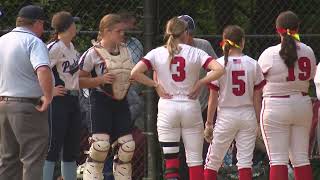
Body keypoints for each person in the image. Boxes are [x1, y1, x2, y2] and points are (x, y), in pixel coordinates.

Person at [130, 17, 225, 180]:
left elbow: (134, 73)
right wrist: (201, 82)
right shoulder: (196, 52)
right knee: (195, 161)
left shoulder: (157, 52)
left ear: (168, 33)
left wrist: (156, 85)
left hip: (168, 107)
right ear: (186, 33)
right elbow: (219, 69)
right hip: (190, 106)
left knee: (171, 163)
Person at [258, 11, 316, 180]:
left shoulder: (269, 53)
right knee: (301, 159)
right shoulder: (308, 51)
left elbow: (257, 82)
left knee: (277, 160)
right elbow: (311, 77)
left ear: (278, 30)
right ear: (298, 29)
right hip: (302, 104)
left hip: (275, 106)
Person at [203, 25, 265, 180]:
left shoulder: (218, 64)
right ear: (242, 42)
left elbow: (213, 98)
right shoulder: (253, 63)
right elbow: (257, 99)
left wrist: (209, 123)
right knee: (245, 163)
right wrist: (259, 122)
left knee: (212, 162)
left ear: (224, 42)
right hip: (248, 114)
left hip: (226, 116)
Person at [78, 14, 135, 180]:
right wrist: (100, 80)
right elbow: (77, 80)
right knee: (100, 146)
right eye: (119, 31)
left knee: (127, 147)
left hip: (121, 102)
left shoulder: (125, 50)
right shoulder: (93, 53)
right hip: (100, 101)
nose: (122, 34)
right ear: (107, 32)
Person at [0, 5, 53, 180]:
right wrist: (47, 95)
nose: (43, 29)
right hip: (27, 105)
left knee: (8, 158)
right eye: (43, 24)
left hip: (3, 104)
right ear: (37, 23)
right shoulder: (33, 42)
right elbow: (43, 69)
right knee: (32, 158)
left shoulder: (3, 40)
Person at [42, 11, 80, 180]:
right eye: (74, 23)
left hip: (73, 99)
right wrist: (49, 91)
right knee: (53, 145)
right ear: (67, 27)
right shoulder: (53, 47)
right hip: (58, 101)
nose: (76, 26)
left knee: (71, 147)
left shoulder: (72, 47)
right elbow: (37, 70)